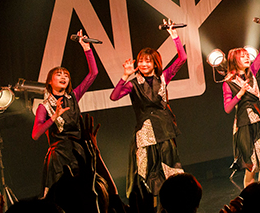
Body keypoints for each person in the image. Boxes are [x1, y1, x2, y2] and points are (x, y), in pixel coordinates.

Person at [110, 25, 187, 200]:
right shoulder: (133, 84)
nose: (144, 64)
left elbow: (182, 58)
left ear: (155, 63)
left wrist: (175, 36)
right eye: (141, 61)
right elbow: (114, 96)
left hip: (165, 129)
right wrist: (125, 76)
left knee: (170, 168)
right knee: (148, 172)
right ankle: (150, 207)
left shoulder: (163, 77)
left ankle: (175, 203)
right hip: (146, 132)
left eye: (148, 61)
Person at [32, 31, 98, 196]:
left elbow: (93, 74)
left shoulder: (73, 96)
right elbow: (35, 134)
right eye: (58, 74)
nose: (63, 77)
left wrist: (86, 48)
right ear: (49, 81)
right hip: (59, 158)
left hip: (79, 153)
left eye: (66, 75)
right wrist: (53, 118)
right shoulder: (44, 107)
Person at [224, 15, 260, 187]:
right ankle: (251, 196)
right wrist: (240, 94)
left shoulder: (252, 72)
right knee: (251, 165)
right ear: (234, 60)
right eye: (243, 56)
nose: (247, 58)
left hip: (259, 120)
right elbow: (227, 108)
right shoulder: (228, 83)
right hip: (245, 126)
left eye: (247, 56)